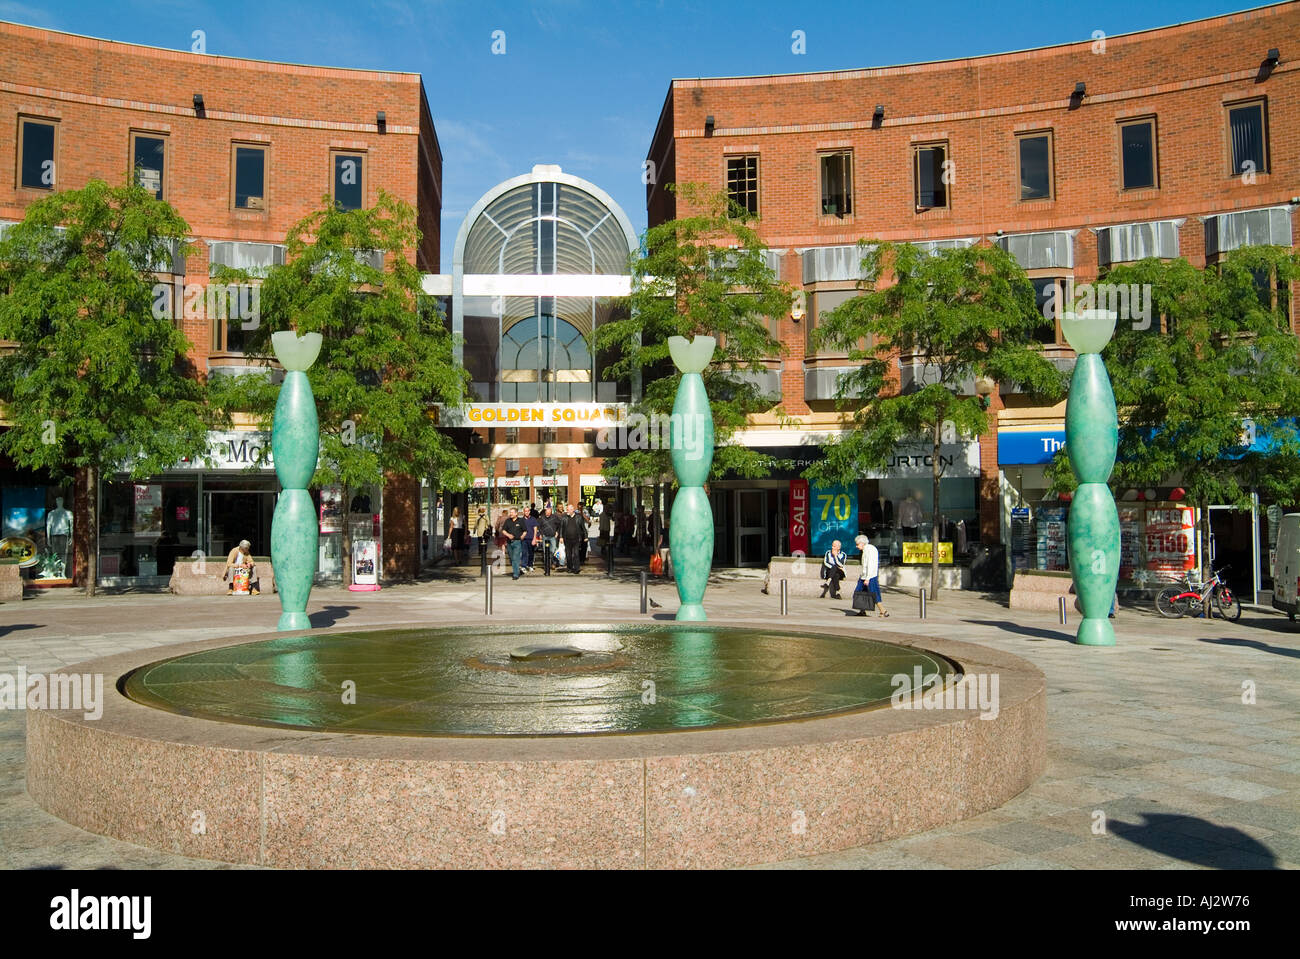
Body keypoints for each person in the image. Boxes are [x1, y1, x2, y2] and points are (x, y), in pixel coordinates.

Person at [853, 534, 889, 617]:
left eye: (857, 544)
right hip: (864, 576)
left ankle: (883, 611)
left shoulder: (870, 549)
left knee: (873, 592)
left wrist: (868, 578)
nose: (856, 546)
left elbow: (871, 564)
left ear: (862, 543)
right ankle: (862, 610)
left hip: (870, 576)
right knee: (859, 592)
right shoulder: (865, 550)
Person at [502, 507, 527, 580]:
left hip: (517, 542)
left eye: (512, 512)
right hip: (509, 542)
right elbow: (503, 530)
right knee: (512, 558)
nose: (510, 514)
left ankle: (516, 574)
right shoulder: (508, 521)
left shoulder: (521, 521)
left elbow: (525, 530)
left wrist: (522, 536)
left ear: (516, 513)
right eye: (510, 512)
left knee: (516, 558)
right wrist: (508, 535)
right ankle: (517, 569)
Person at [562, 503, 585, 574]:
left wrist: (586, 537)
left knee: (576, 554)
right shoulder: (564, 518)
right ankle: (569, 567)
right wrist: (560, 537)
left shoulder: (578, 517)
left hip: (576, 539)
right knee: (568, 554)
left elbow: (583, 528)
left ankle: (577, 568)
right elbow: (561, 528)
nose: (567, 511)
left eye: (568, 510)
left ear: (572, 510)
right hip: (567, 539)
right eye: (567, 510)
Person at [539, 505, 561, 573]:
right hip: (545, 536)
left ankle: (553, 563)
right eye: (547, 512)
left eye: (549, 512)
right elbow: (539, 527)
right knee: (546, 551)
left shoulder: (554, 517)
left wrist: (557, 532)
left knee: (553, 550)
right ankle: (547, 565)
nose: (548, 513)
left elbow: (560, 525)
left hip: (552, 537)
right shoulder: (542, 518)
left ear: (551, 512)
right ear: (545, 512)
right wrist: (541, 533)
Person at [523, 508, 540, 572]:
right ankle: (524, 566)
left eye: (527, 511)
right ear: (523, 512)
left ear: (529, 512)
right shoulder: (522, 520)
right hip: (524, 539)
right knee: (524, 553)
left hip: (531, 538)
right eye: (525, 511)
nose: (526, 512)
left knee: (531, 553)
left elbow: (535, 529)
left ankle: (530, 565)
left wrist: (534, 538)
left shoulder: (533, 519)